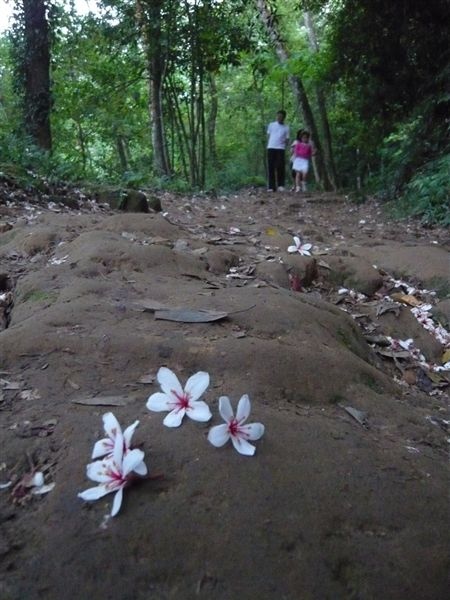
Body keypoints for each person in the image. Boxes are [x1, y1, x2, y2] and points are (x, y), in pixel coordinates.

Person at [266, 110, 289, 191]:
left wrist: (284, 145)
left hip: (281, 148)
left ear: (284, 118)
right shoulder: (271, 125)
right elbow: (268, 135)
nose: (279, 118)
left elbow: (287, 139)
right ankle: (271, 187)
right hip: (271, 147)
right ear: (276, 116)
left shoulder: (286, 127)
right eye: (278, 116)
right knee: (271, 167)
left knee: (280, 166)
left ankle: (281, 185)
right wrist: (270, 144)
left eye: (281, 116)